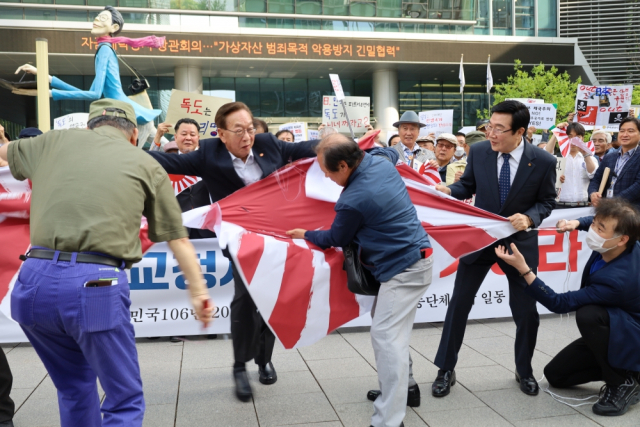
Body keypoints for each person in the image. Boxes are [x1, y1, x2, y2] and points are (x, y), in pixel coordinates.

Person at [0, 98, 213, 427]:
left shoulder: (53, 141)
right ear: (132, 135)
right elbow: (178, 238)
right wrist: (198, 292)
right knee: (123, 397)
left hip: (32, 282)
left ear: (89, 126)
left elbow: (4, 153)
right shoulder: (144, 163)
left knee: (72, 387)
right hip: (95, 283)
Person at [146, 101, 319, 402]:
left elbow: (310, 149)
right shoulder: (209, 153)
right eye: (238, 130)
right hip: (238, 240)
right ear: (222, 134)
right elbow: (166, 162)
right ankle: (240, 365)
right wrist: (120, 152)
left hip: (276, 238)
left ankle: (263, 359)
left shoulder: (269, 145)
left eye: (250, 128)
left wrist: (345, 145)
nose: (247, 136)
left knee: (272, 297)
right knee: (245, 298)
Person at [286, 134, 433, 427]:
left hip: (403, 269)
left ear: (343, 164)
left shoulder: (354, 199)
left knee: (386, 337)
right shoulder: (379, 161)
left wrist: (306, 234)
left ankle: (388, 420)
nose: (325, 177)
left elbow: (336, 238)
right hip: (412, 260)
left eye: (327, 171)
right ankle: (408, 389)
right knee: (393, 333)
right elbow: (391, 152)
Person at [431, 100, 557, 398]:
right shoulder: (479, 152)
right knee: (459, 303)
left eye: (500, 128)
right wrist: (449, 190)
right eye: (490, 126)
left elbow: (547, 201)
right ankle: (445, 369)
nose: (492, 133)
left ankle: (524, 370)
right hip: (481, 240)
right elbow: (468, 186)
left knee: (526, 310)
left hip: (518, 244)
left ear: (521, 132)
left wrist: (529, 217)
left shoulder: (543, 161)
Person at [496, 198, 640, 417]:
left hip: (630, 334)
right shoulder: (622, 244)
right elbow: (595, 221)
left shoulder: (617, 280)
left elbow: (559, 303)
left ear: (622, 239)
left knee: (588, 315)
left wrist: (524, 269)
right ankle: (632, 371)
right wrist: (578, 223)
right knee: (556, 376)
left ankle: (622, 382)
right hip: (616, 326)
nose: (593, 230)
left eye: (600, 228)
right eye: (594, 224)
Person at [589, 117, 640, 209]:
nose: (625, 134)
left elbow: (638, 186)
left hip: (631, 213)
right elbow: (596, 179)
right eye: (622, 131)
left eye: (630, 131)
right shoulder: (610, 156)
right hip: (606, 211)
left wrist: (613, 201)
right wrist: (593, 193)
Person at [546, 123, 597, 205]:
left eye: (577, 137)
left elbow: (593, 174)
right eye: (569, 137)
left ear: (583, 138)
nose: (573, 140)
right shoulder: (557, 158)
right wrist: (557, 133)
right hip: (560, 205)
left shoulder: (590, 158)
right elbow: (546, 154)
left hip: (583, 205)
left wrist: (585, 154)